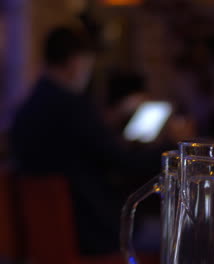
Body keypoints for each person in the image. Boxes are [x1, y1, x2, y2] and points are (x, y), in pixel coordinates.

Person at [9, 26, 169, 255]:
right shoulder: (72, 107)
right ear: (75, 62)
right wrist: (173, 149)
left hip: (48, 237)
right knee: (183, 234)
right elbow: (123, 162)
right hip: (95, 233)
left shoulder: (28, 108)